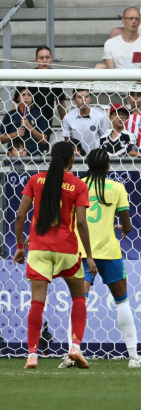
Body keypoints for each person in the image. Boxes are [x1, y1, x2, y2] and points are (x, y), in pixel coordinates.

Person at [58, 149, 141, 369]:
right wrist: (123, 228)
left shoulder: (76, 186)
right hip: (109, 253)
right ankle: (134, 357)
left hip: (80, 253)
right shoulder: (117, 188)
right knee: (122, 301)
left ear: (86, 164)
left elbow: (67, 219)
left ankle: (73, 352)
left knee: (80, 302)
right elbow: (127, 224)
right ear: (108, 166)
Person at [14, 141, 96, 370]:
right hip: (67, 250)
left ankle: (32, 355)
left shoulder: (36, 180)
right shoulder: (78, 185)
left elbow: (20, 216)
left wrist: (20, 246)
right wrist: (89, 256)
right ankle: (75, 347)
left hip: (39, 249)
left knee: (37, 301)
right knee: (79, 297)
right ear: (72, 159)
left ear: (52, 157)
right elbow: (80, 222)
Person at [0, 87, 50, 156]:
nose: (26, 97)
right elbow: (1, 139)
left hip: (34, 157)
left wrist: (30, 127)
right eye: (23, 95)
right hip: (15, 158)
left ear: (32, 98)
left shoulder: (38, 115)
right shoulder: (10, 115)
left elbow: (44, 141)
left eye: (29, 95)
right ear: (17, 98)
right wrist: (16, 134)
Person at [61, 89, 108, 155]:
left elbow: (104, 138)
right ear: (74, 100)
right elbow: (67, 141)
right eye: (80, 97)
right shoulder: (68, 118)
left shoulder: (99, 117)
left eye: (86, 96)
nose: (84, 100)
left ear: (90, 98)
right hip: (77, 157)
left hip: (95, 156)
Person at [29, 46, 67, 124]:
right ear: (36, 60)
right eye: (41, 58)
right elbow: (17, 101)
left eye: (47, 57)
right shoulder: (28, 76)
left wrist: (66, 124)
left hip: (46, 123)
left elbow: (60, 102)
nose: (44, 61)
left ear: (51, 59)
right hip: (28, 122)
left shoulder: (55, 76)